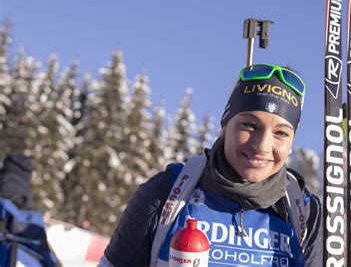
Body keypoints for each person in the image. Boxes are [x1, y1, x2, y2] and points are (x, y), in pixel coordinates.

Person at [99, 63, 323, 266]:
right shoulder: (166, 191)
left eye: (281, 133)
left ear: (292, 141)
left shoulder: (305, 211)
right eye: (250, 125)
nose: (262, 146)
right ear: (226, 125)